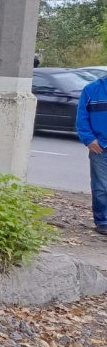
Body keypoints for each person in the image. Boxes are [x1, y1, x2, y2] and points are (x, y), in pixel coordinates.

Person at [76, 74, 107, 235]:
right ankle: (102, 221)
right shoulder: (92, 90)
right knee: (101, 186)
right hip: (100, 147)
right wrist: (89, 140)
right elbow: (82, 118)